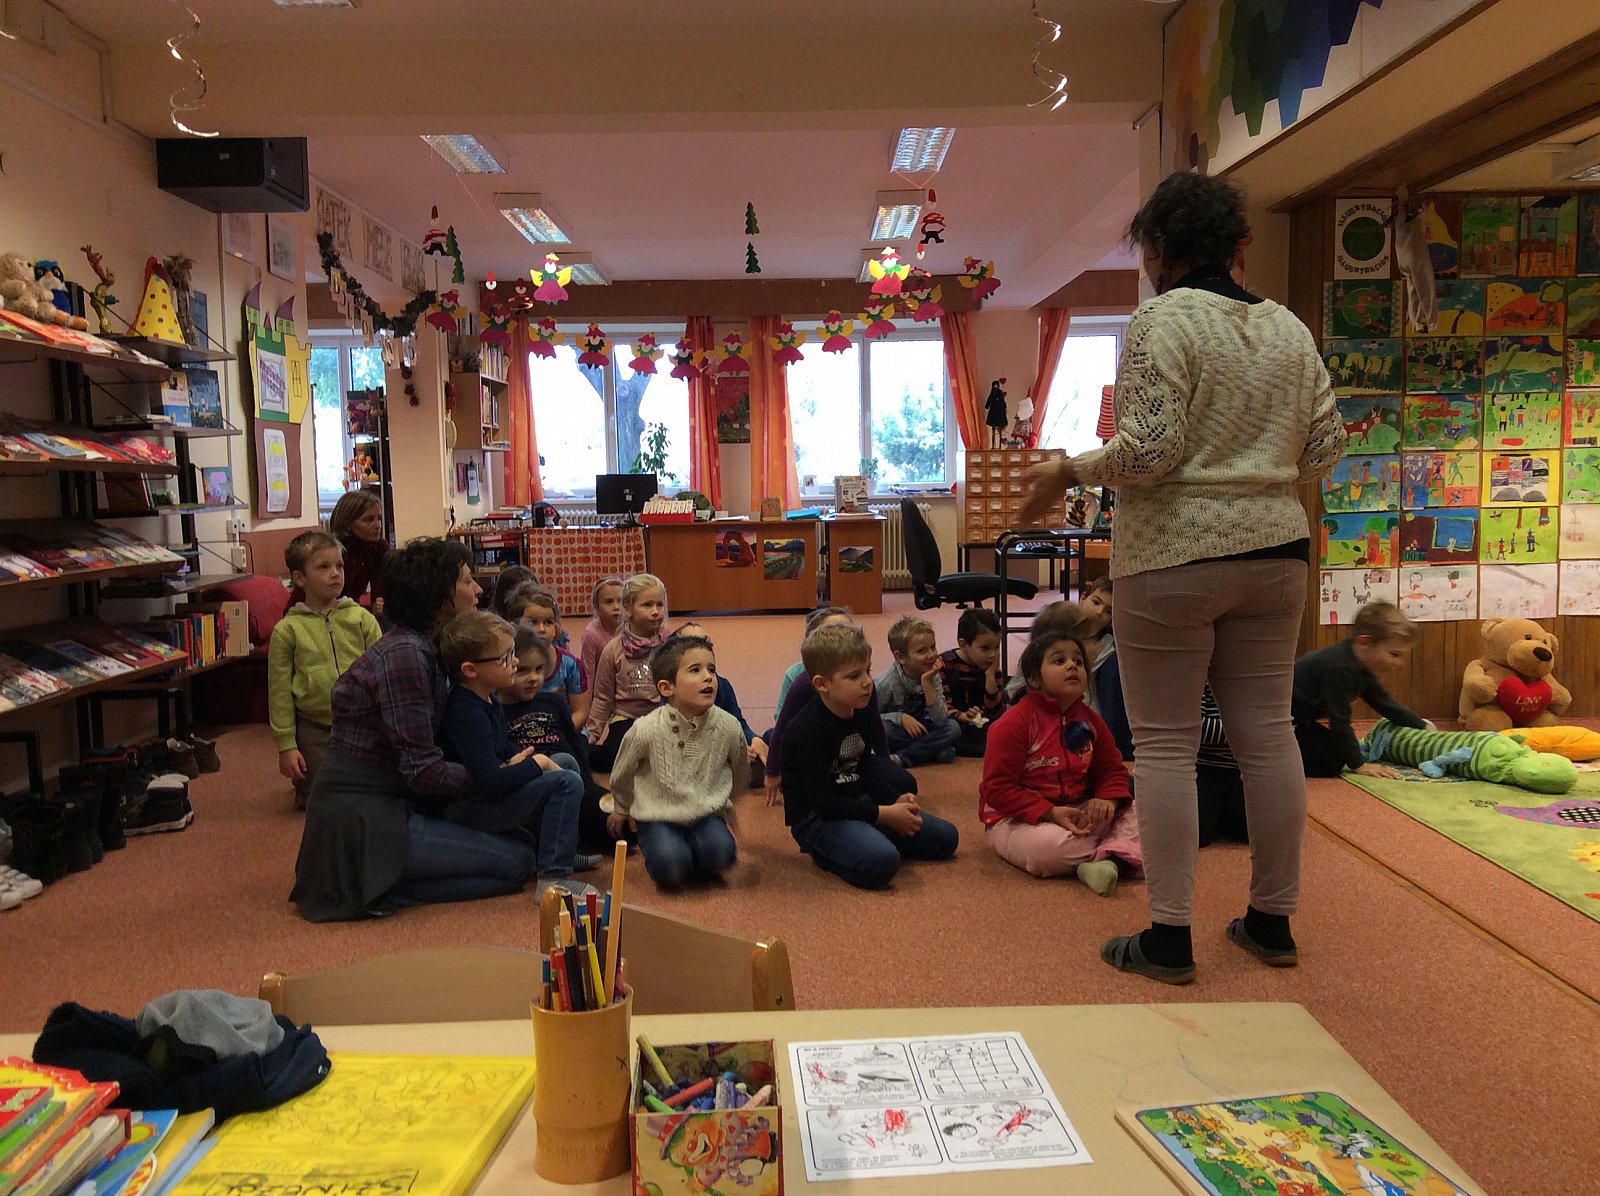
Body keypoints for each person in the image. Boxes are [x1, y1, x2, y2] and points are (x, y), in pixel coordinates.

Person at [1018, 170, 1347, 985]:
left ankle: (1169, 939)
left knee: (1164, 745)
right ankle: (1271, 921)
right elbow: (1324, 448)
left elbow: (1150, 452)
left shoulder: (1161, 320)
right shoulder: (1288, 329)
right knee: (1268, 734)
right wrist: (1257, 469)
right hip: (1277, 553)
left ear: (1160, 248)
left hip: (1174, 556)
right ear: (1234, 246)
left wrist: (1069, 470)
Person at [290, 537, 542, 922]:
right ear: (438, 597)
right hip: (364, 819)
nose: (477, 590)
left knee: (524, 843)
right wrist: (492, 774)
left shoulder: (428, 645)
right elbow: (422, 771)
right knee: (517, 862)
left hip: (394, 802)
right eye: (466, 580)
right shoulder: (406, 654)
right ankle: (381, 889)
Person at [435, 610, 599, 900]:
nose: (514, 662)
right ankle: (552, 879)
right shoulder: (466, 711)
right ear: (470, 670)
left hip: (487, 794)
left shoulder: (488, 696)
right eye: (506, 658)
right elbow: (490, 781)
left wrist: (521, 756)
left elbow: (501, 744)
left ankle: (563, 850)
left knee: (561, 767)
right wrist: (536, 762)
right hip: (468, 807)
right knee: (566, 782)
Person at [780, 623, 957, 889]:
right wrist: (884, 815)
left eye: (868, 671)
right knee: (883, 862)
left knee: (946, 838)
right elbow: (823, 802)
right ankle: (825, 850)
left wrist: (894, 799)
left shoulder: (859, 711)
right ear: (822, 684)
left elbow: (865, 770)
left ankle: (864, 838)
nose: (867, 682)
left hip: (856, 801)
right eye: (854, 676)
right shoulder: (807, 730)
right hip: (817, 818)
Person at [979, 631, 1141, 893]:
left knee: (1147, 811)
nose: (1072, 666)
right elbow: (997, 790)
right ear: (1034, 678)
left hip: (1076, 810)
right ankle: (1117, 855)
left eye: (1078, 661)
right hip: (1018, 819)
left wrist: (1107, 800)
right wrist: (1050, 812)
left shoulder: (1091, 721)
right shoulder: (1014, 723)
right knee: (1045, 851)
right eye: (1059, 661)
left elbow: (1111, 770)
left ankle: (1107, 860)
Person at [606, 634, 744, 889]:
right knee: (670, 865)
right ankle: (670, 848)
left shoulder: (728, 726)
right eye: (695, 670)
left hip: (704, 813)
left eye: (711, 669)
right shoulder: (646, 729)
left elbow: (739, 766)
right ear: (667, 688)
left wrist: (728, 802)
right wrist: (622, 807)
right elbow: (622, 772)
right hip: (659, 814)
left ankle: (696, 849)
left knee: (722, 855)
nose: (708, 677)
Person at [269, 530, 381, 810]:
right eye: (323, 567)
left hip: (362, 723)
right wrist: (286, 746)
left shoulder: (362, 619)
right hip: (314, 727)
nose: (335, 574)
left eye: (339, 566)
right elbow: (279, 693)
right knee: (321, 802)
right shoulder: (287, 630)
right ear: (300, 578)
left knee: (372, 793)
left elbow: (382, 673)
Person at [501, 628, 616, 852]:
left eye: (538, 670)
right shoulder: (497, 710)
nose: (533, 678)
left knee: (622, 827)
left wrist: (588, 784)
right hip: (536, 783)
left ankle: (571, 838)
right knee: (563, 762)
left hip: (577, 782)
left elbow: (575, 743)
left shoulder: (552, 702)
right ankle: (567, 844)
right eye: (522, 670)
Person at [763, 614, 889, 806]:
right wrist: (772, 771)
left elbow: (876, 728)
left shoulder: (864, 687)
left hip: (848, 752)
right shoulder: (802, 686)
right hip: (816, 745)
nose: (867, 681)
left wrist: (885, 765)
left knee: (902, 783)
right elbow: (783, 726)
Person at [1292, 602, 1426, 780]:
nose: (1399, 663)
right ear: (1365, 642)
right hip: (1276, 724)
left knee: (1339, 751)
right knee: (1332, 762)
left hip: (1299, 721)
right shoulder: (1339, 668)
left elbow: (1383, 702)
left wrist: (1422, 726)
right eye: (1394, 654)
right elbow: (1339, 721)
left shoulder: (1360, 667)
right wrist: (1359, 765)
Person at [585, 573, 669, 772]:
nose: (655, 612)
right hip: (626, 718)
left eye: (659, 605)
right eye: (647, 605)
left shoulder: (668, 645)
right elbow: (603, 697)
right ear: (628, 608)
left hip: (661, 716)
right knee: (611, 757)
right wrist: (593, 732)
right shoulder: (613, 650)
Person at [673, 622, 766, 788]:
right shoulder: (674, 691)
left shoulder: (722, 685)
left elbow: (738, 723)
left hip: (720, 753)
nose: (702, 649)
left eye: (706, 643)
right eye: (694, 644)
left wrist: (754, 739)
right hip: (687, 757)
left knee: (759, 767)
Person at [876, 615, 960, 767]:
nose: (932, 655)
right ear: (900, 657)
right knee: (884, 730)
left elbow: (940, 719)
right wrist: (900, 718)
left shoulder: (932, 675)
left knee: (953, 728)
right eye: (922, 651)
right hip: (899, 730)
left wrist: (927, 683)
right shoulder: (886, 682)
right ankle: (930, 751)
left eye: (933, 647)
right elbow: (871, 717)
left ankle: (903, 757)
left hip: (925, 728)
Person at [505, 584, 590, 728]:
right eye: (533, 622)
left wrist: (558, 732)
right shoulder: (506, 663)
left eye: (548, 622)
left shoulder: (570, 665)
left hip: (563, 731)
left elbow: (581, 711)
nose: (542, 629)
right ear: (514, 625)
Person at [939, 607, 1007, 757]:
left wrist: (990, 677)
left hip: (981, 721)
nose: (992, 654)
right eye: (985, 648)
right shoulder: (944, 664)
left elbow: (995, 711)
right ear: (963, 644)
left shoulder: (991, 665)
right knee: (949, 729)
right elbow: (941, 707)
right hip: (955, 721)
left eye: (996, 647)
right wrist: (962, 715)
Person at [776, 606, 853, 713]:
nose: (846, 638)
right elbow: (782, 716)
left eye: (851, 632)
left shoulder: (862, 673)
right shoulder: (796, 675)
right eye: (835, 634)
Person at [327, 489, 389, 611]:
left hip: (350, 610)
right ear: (347, 523)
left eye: (379, 518)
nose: (378, 525)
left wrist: (378, 607)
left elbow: (379, 594)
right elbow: (327, 603)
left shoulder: (378, 547)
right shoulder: (330, 550)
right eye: (369, 520)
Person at [579, 576, 624, 686]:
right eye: (609, 602)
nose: (616, 607)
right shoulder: (591, 635)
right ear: (596, 606)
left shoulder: (632, 628)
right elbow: (588, 675)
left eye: (621, 601)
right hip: (602, 689)